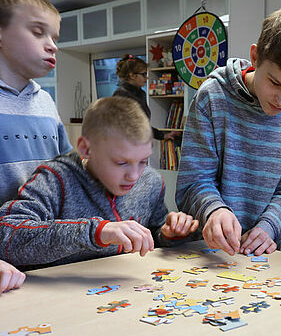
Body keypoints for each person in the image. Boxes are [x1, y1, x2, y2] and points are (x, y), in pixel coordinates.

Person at [176, 7, 281, 257]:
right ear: (255, 56)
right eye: (275, 83)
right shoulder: (212, 96)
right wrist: (215, 210)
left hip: (261, 251)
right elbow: (194, 180)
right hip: (204, 251)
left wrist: (269, 227)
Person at [0, 96, 199, 270]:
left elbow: (155, 237)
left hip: (126, 293)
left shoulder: (151, 181)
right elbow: (6, 235)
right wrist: (95, 232)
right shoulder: (55, 179)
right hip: (61, 296)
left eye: (143, 161)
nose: (134, 175)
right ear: (86, 149)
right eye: (122, 163)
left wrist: (170, 234)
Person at [0, 0, 73, 291]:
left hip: (44, 251)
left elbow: (68, 172)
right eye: (38, 32)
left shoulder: (45, 101)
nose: (52, 46)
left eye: (55, 37)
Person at [112, 54, 180, 143]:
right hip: (127, 147)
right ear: (132, 75)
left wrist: (163, 135)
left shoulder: (140, 93)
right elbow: (127, 127)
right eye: (143, 74)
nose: (147, 77)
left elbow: (142, 125)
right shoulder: (121, 95)